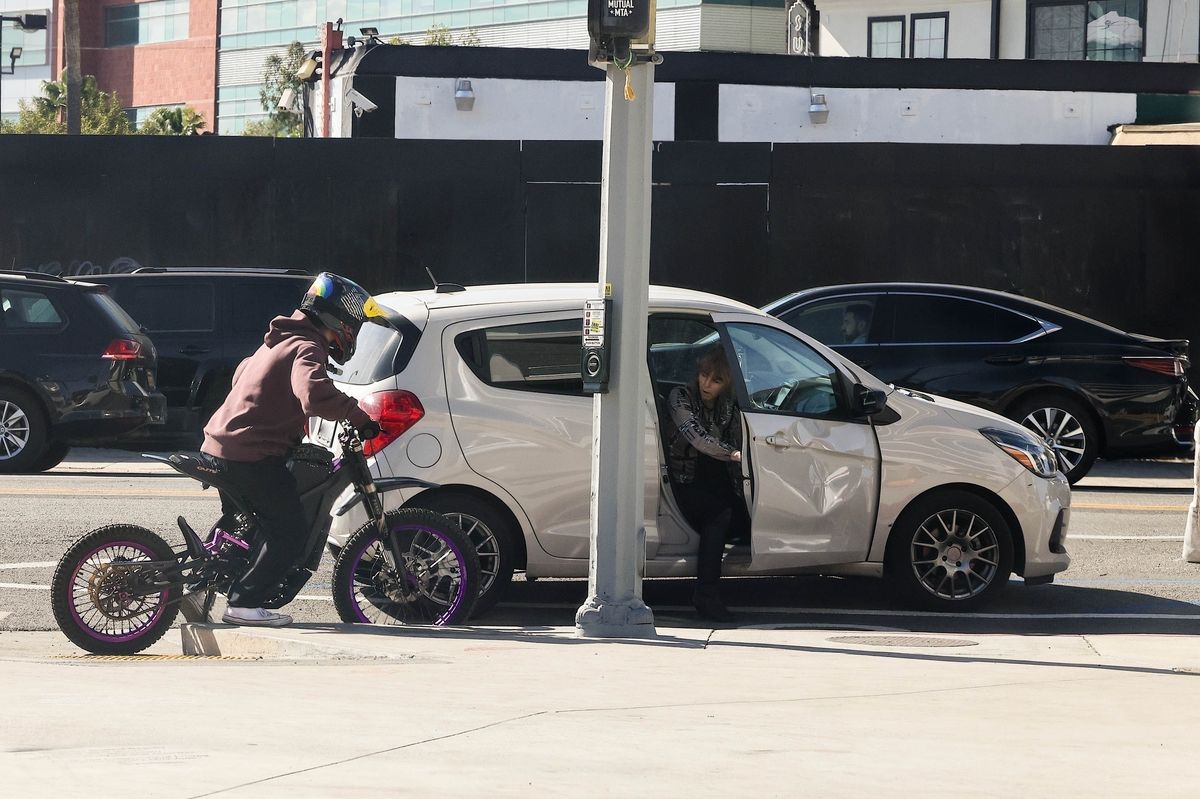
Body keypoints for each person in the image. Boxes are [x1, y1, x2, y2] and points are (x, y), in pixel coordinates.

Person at [199, 272, 382, 627]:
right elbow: (313, 393)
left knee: (246, 522)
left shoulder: (277, 340)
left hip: (221, 444)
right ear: (341, 319)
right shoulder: (307, 346)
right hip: (249, 455)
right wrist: (356, 415)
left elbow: (242, 377)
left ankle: (203, 583)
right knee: (289, 532)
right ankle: (244, 603)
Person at [666, 346, 745, 622]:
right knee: (718, 513)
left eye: (716, 380)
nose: (706, 384)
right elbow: (696, 437)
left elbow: (739, 435)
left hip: (718, 480)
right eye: (703, 375)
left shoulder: (728, 406)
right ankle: (706, 594)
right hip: (683, 482)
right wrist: (733, 454)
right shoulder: (680, 397)